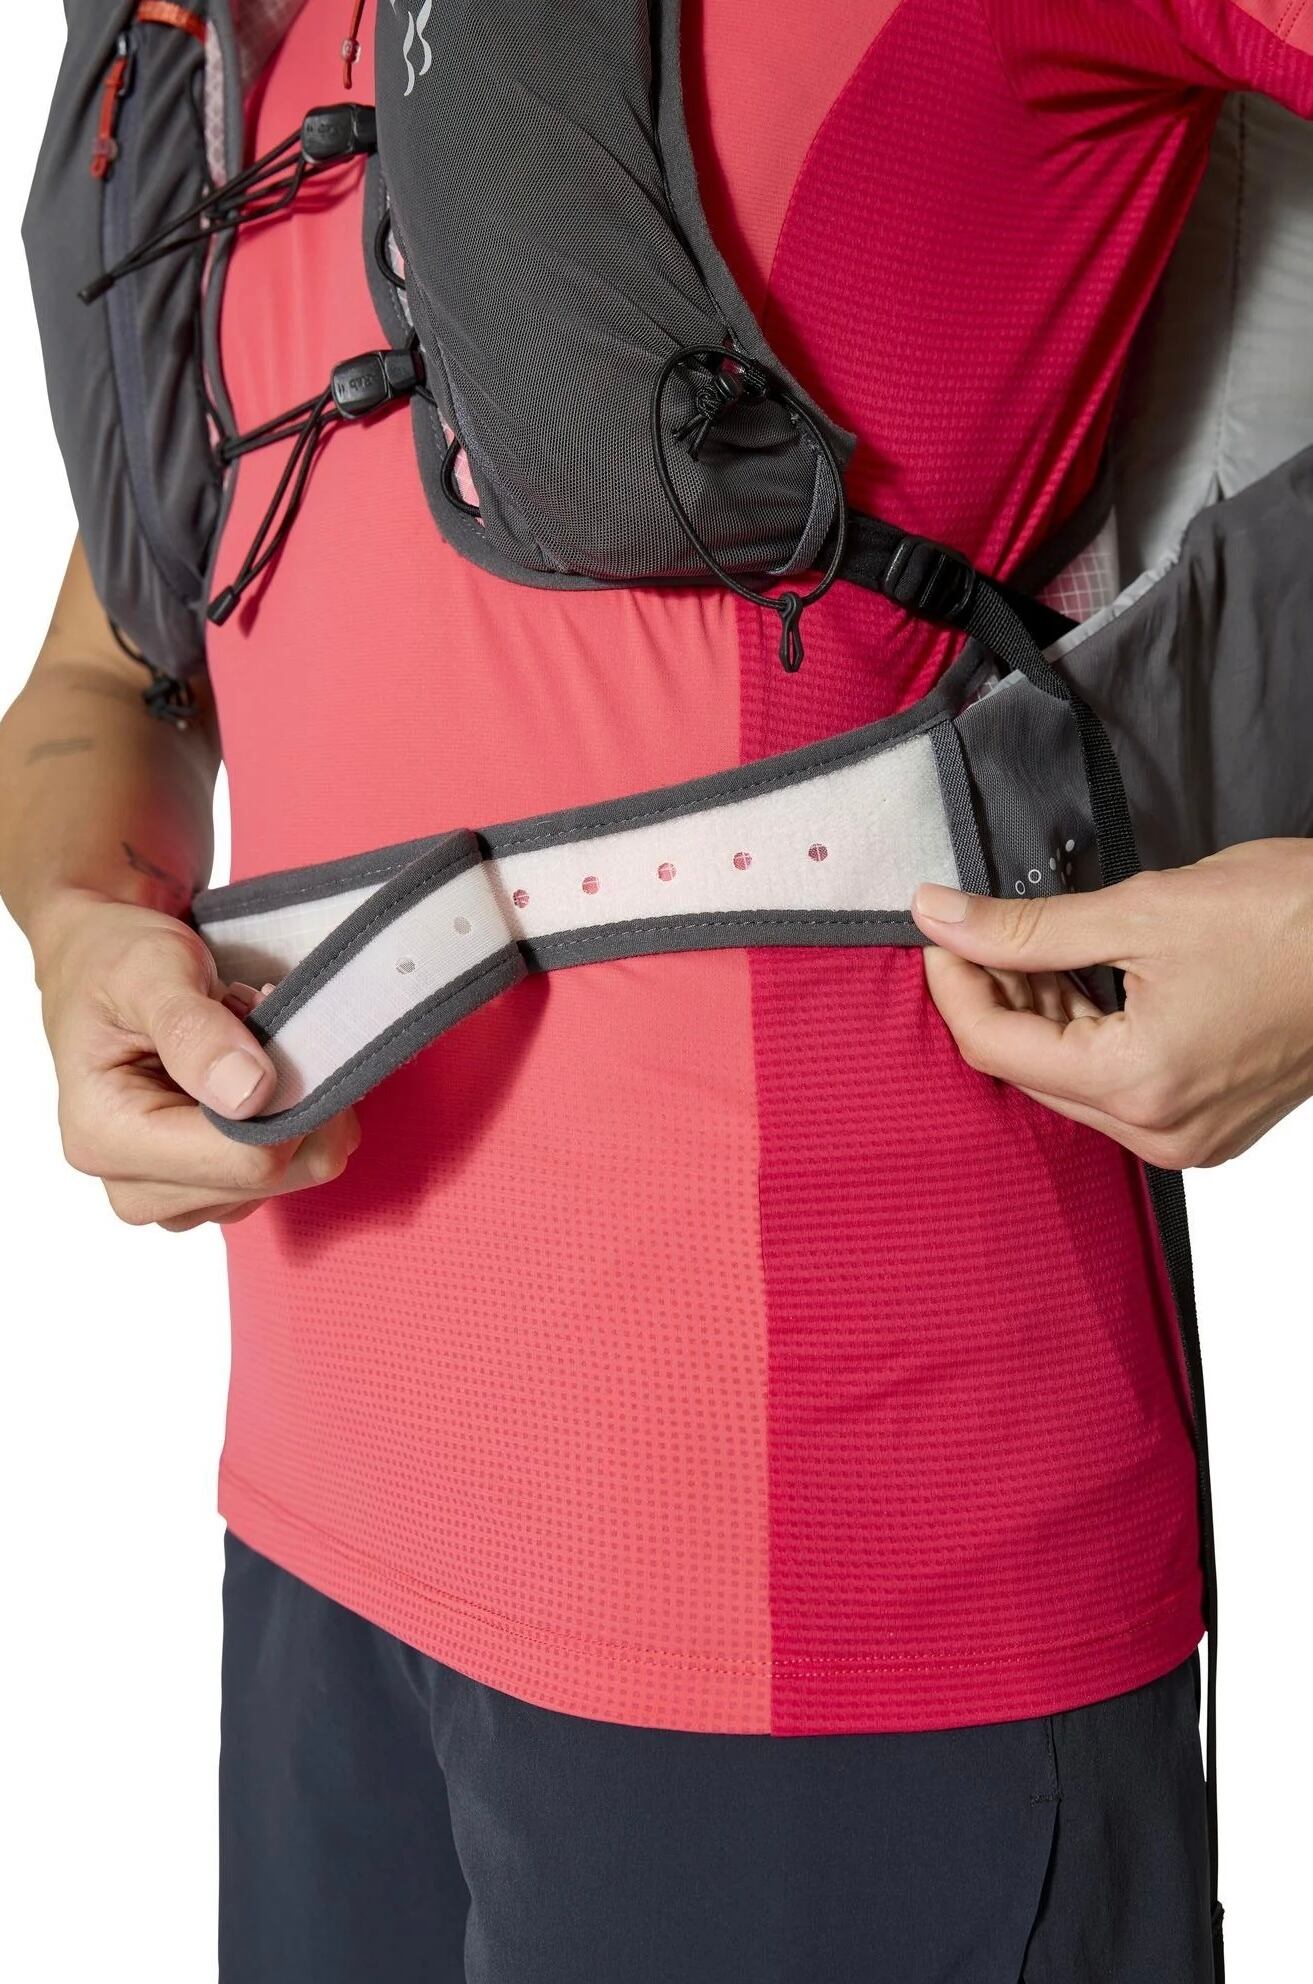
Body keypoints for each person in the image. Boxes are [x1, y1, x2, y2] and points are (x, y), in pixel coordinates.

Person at [4, 2, 1312, 1978]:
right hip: (323, 1554)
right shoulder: (232, 48)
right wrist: (84, 919)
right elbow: (108, 682)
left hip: (844, 1591)